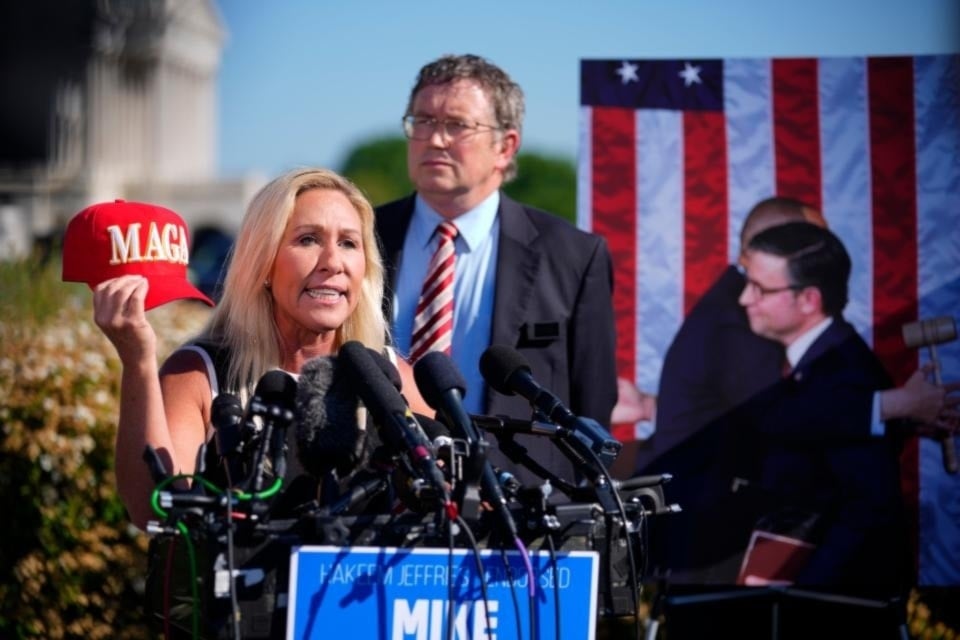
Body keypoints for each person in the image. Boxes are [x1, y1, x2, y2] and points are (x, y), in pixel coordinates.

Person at [635, 197, 958, 583]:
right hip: (710, 541)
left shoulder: (833, 356)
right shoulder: (736, 321)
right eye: (805, 243)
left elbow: (836, 457)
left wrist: (903, 416)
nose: (822, 259)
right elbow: (775, 417)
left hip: (773, 559)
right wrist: (893, 406)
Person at [92, 168, 431, 530]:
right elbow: (153, 510)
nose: (333, 262)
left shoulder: (390, 377)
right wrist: (138, 361)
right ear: (263, 263)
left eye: (348, 243)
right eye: (308, 240)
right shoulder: (198, 374)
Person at [375, 54, 617, 489]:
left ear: (506, 147)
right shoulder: (359, 238)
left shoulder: (574, 256)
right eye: (423, 121)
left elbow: (592, 406)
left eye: (457, 125)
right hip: (376, 497)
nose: (435, 139)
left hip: (515, 510)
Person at [733, 222, 913, 593]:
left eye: (760, 289)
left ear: (809, 300)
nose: (745, 299)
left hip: (834, 601)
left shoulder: (846, 373)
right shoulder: (812, 362)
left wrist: (799, 594)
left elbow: (868, 507)